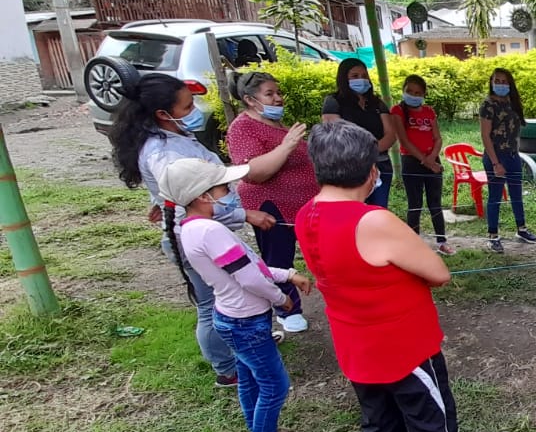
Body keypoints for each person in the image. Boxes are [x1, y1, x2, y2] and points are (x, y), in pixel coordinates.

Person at [295, 121, 508, 432]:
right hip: (404, 347)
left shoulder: (306, 213)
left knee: (380, 424)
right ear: (371, 170)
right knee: (435, 430)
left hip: (356, 346)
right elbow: (438, 272)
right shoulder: (373, 219)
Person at [109, 73, 276, 388]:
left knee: (225, 296)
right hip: (196, 237)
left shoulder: (174, 136)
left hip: (204, 229)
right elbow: (189, 197)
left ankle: (243, 343)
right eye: (187, 107)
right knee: (212, 304)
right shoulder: (164, 154)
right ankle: (227, 368)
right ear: (162, 113)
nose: (195, 110)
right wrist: (245, 214)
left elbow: (177, 193)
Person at [158, 158, 313, 432]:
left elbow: (249, 267)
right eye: (224, 188)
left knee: (251, 382)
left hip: (234, 317)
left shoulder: (194, 228)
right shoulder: (210, 231)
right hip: (246, 321)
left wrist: (286, 274)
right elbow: (251, 279)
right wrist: (281, 298)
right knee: (275, 385)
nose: (230, 192)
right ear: (203, 196)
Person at [226, 70, 318, 334]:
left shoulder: (277, 124)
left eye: (278, 92)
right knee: (279, 257)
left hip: (304, 203)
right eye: (270, 94)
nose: (278, 98)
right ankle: (287, 309)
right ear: (250, 99)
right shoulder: (242, 127)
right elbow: (254, 173)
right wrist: (287, 146)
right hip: (270, 205)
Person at [388, 74, 453, 254]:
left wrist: (432, 158)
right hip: (411, 162)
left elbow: (438, 138)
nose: (413, 95)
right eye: (409, 91)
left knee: (435, 203)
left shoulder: (429, 111)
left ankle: (442, 241)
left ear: (424, 94)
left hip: (432, 160)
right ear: (403, 91)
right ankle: (413, 244)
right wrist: (426, 162)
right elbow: (404, 141)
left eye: (418, 93)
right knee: (415, 204)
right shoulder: (397, 111)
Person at [321, 58, 396, 208]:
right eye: (355, 76)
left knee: (379, 209)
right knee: (355, 210)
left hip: (381, 165)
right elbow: (334, 136)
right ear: (344, 78)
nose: (361, 79)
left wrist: (371, 151)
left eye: (364, 75)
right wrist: (361, 156)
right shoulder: (334, 101)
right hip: (351, 168)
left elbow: (391, 135)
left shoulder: (377, 103)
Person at [479, 68, 536, 253]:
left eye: (504, 81)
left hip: (513, 155)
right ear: (491, 82)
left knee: (516, 194)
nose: (501, 84)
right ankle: (493, 236)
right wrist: (496, 163)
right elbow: (485, 136)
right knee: (495, 197)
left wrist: (515, 152)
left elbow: (515, 130)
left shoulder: (512, 102)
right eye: (497, 81)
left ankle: (522, 229)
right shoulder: (488, 105)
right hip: (496, 156)